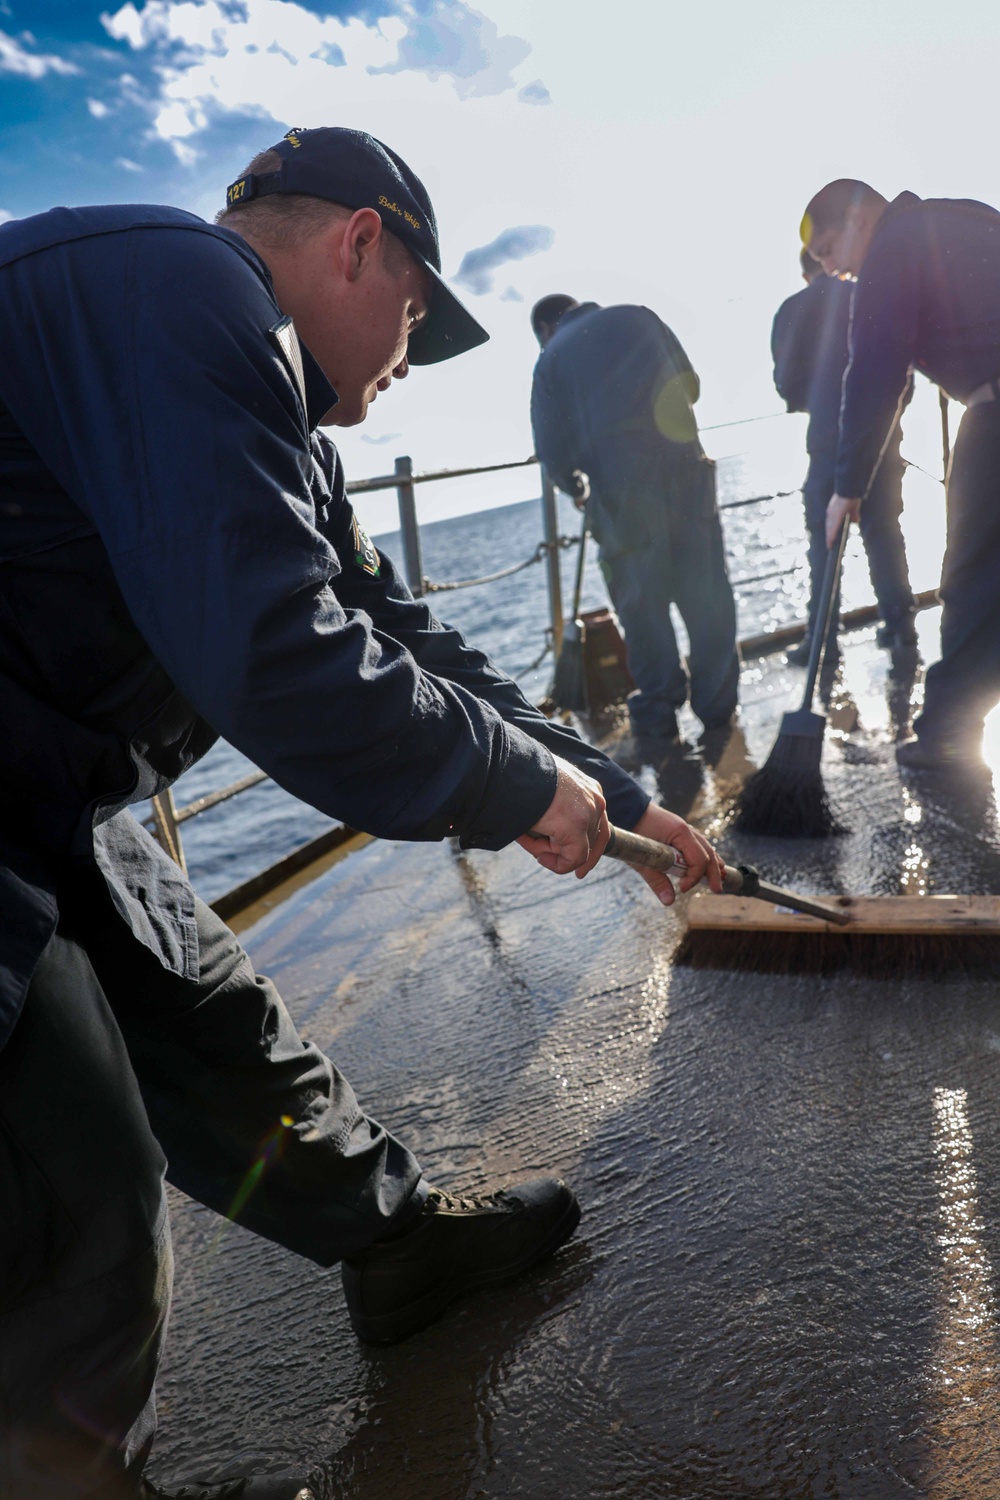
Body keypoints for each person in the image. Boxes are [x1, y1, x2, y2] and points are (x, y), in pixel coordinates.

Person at [0, 127, 724, 1500]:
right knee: (65, 1176)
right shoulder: (186, 286)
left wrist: (612, 787)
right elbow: (275, 650)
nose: (390, 391)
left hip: (40, 772)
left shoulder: (274, 417)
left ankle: (394, 1247)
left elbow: (392, 630)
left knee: (198, 1005)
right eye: (407, 335)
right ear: (359, 241)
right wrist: (513, 795)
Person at [802, 177, 1000, 769]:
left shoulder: (891, 246)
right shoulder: (965, 215)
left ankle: (945, 735)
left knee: (968, 578)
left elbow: (876, 369)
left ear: (859, 218)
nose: (834, 270)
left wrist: (847, 486)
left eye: (828, 252)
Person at [529, 295, 739, 770]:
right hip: (689, 476)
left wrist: (575, 486)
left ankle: (661, 723)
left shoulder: (551, 357)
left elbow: (551, 448)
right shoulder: (639, 315)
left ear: (545, 326)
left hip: (623, 499)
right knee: (708, 600)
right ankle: (720, 715)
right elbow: (692, 386)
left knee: (643, 613)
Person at [771, 247, 916, 666]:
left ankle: (823, 644)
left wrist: (811, 396)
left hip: (829, 438)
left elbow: (786, 382)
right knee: (885, 535)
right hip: (882, 435)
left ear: (805, 273)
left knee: (826, 541)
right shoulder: (864, 296)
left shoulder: (794, 308)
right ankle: (901, 631)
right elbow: (901, 362)